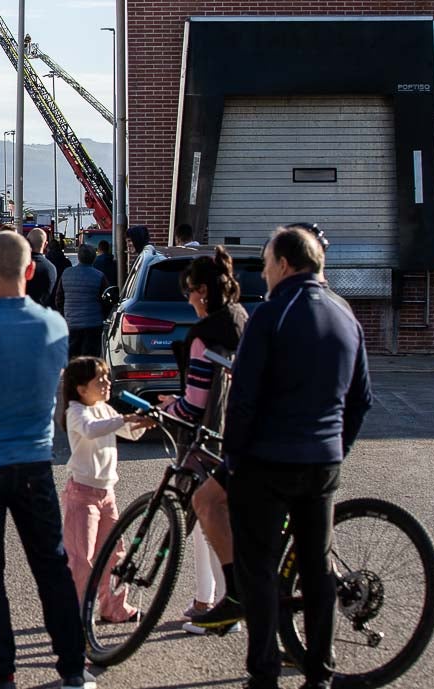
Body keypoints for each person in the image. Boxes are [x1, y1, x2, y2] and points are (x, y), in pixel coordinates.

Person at [0, 232, 96, 689]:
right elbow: (50, 385)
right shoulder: (55, 326)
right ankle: (72, 669)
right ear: (31, 270)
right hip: (34, 464)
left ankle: (0, 674)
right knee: (51, 565)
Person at [222, 225, 373, 689]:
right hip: (323, 463)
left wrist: (233, 459)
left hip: (269, 463)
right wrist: (336, 449)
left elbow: (243, 398)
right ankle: (319, 675)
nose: (264, 274)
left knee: (260, 570)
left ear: (285, 264)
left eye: (266, 264)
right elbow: (361, 398)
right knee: (316, 568)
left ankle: (263, 674)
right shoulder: (346, 314)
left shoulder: (272, 314)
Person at [151, 247, 249, 635]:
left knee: (206, 515)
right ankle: (224, 599)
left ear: (204, 292)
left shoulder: (202, 338)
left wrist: (165, 408)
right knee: (228, 520)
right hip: (241, 435)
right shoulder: (241, 319)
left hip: (207, 441)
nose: (187, 298)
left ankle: (210, 603)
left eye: (190, 290)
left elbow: (194, 405)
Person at [61, 356, 151, 623]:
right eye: (99, 379)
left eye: (107, 377)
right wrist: (125, 418)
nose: (106, 382)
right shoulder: (76, 412)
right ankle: (76, 614)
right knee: (81, 559)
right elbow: (91, 430)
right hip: (81, 494)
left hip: (107, 493)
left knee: (114, 554)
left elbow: (130, 433)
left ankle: (113, 607)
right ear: (80, 388)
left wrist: (144, 422)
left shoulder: (105, 409)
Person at [55, 244, 108, 359]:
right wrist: (103, 316)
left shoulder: (66, 273)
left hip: (72, 323)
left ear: (79, 257)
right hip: (93, 323)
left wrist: (65, 314)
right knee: (91, 359)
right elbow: (106, 300)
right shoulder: (99, 276)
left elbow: (59, 298)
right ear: (94, 257)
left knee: (73, 358)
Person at [24, 228, 57, 308]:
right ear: (45, 244)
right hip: (44, 315)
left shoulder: (21, 266)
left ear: (27, 242)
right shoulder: (51, 268)